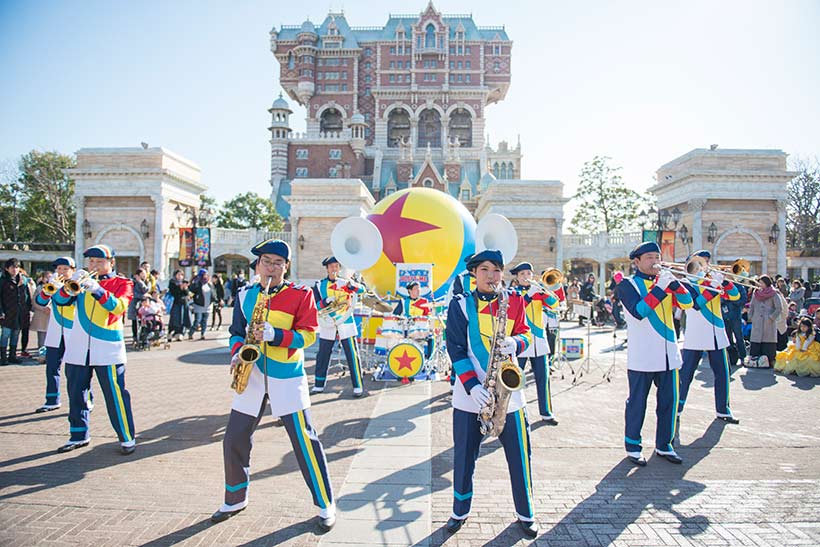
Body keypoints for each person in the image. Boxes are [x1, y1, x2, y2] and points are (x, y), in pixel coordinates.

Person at [212, 238, 335, 531]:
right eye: (266, 261)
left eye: (278, 263)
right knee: (234, 438)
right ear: (257, 265)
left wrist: (276, 335)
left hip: (286, 375)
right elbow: (236, 332)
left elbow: (308, 336)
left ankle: (325, 503)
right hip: (251, 374)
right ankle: (235, 498)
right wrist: (236, 354)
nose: (271, 268)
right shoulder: (245, 294)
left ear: (286, 267)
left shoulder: (301, 294)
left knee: (305, 441)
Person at [444, 249, 537, 538]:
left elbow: (527, 333)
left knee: (520, 456)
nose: (491, 275)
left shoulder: (515, 302)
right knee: (463, 457)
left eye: (497, 270)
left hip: (508, 394)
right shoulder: (460, 305)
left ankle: (526, 512)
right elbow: (456, 348)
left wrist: (516, 343)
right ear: (473, 272)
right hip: (471, 394)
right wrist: (472, 386)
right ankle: (460, 510)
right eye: (485, 269)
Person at [615, 241, 693, 467]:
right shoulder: (627, 284)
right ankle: (632, 445)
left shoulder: (667, 282)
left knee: (669, 402)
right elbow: (639, 312)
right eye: (649, 257)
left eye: (657, 256)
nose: (655, 261)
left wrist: (676, 286)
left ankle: (664, 444)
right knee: (637, 403)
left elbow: (688, 304)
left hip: (669, 354)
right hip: (643, 355)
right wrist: (660, 288)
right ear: (637, 262)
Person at [54, 245, 136, 454]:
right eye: (91, 261)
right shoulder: (79, 282)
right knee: (76, 393)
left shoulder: (123, 283)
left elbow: (118, 307)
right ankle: (79, 434)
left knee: (115, 395)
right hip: (78, 346)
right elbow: (60, 301)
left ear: (111, 262)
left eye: (99, 262)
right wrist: (67, 287)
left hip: (107, 347)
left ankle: (127, 437)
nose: (94, 265)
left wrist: (98, 290)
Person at [678, 251, 741, 435]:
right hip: (696, 335)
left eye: (706, 262)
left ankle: (723, 409)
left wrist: (725, 282)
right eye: (700, 262)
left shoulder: (712, 279)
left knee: (723, 373)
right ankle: (677, 408)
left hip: (717, 333)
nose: (704, 266)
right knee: (686, 375)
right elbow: (696, 304)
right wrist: (712, 285)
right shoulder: (686, 283)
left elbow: (736, 297)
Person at [510, 262, 559, 425]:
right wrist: (528, 295)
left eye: (528, 274)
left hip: (539, 342)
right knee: (514, 379)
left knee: (543, 378)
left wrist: (544, 293)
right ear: (517, 278)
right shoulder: (514, 293)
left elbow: (555, 304)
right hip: (522, 343)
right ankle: (511, 410)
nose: (526, 277)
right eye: (522, 274)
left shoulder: (537, 292)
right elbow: (516, 309)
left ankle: (546, 412)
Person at [311, 256, 365, 397]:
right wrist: (325, 301)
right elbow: (315, 305)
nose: (334, 269)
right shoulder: (319, 285)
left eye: (336, 266)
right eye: (331, 267)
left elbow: (362, 290)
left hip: (345, 320)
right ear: (327, 269)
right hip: (328, 320)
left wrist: (352, 285)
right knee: (323, 353)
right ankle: (318, 384)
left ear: (339, 268)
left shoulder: (346, 282)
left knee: (351, 354)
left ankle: (358, 386)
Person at [0, 258, 31, 365]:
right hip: (7, 313)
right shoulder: (2, 280)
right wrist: (1, 311)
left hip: (20, 313)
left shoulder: (23, 280)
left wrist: (28, 309)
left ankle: (12, 356)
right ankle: (3, 357)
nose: (15, 269)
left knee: (16, 334)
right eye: (13, 267)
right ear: (7, 268)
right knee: (5, 335)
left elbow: (27, 296)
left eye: (17, 267)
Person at [748, 275, 783, 368]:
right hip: (757, 321)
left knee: (768, 342)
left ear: (767, 283)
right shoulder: (756, 293)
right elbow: (752, 306)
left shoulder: (774, 293)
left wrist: (771, 317)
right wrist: (750, 316)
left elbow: (779, 308)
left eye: (762, 282)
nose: (760, 284)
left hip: (768, 322)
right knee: (756, 340)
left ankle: (769, 360)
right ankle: (755, 360)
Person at [393, 281, 433, 358]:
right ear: (410, 291)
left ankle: (428, 359)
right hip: (406, 329)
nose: (418, 290)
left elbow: (428, 316)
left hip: (421, 329)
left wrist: (428, 320)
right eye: (415, 289)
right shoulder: (403, 301)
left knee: (431, 338)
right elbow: (395, 315)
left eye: (419, 288)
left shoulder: (424, 302)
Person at [722, 264, 749, 367]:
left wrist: (732, 299)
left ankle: (742, 357)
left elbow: (743, 299)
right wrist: (724, 299)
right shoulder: (721, 286)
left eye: (728, 275)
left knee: (739, 337)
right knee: (727, 338)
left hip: (735, 315)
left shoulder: (738, 286)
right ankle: (731, 358)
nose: (726, 277)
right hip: (724, 315)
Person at [167, 270, 191, 342]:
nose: (180, 276)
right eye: (178, 274)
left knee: (183, 319)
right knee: (175, 319)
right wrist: (180, 288)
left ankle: (180, 333)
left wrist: (185, 288)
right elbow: (173, 292)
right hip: (176, 303)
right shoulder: (172, 282)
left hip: (184, 303)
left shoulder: (184, 282)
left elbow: (186, 293)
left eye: (181, 275)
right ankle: (171, 333)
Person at [127, 269, 150, 347]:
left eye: (145, 273)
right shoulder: (132, 282)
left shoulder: (146, 281)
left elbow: (146, 290)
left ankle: (143, 337)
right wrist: (142, 296)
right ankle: (135, 337)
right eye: (142, 273)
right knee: (135, 322)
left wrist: (140, 282)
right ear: (138, 274)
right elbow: (132, 293)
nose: (144, 275)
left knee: (144, 320)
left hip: (144, 304)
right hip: (135, 304)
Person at [189, 269, 212, 339]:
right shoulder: (197, 284)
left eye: (207, 275)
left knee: (204, 321)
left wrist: (217, 300)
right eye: (204, 275)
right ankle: (191, 333)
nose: (206, 277)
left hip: (208, 306)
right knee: (197, 320)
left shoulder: (209, 284)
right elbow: (191, 290)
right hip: (198, 305)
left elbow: (213, 293)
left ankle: (203, 334)